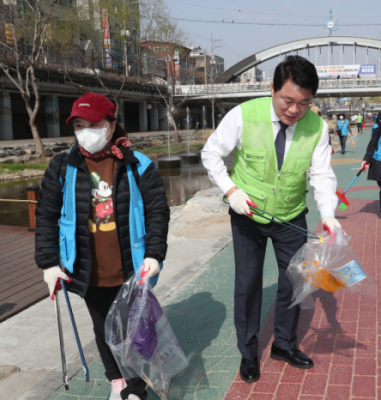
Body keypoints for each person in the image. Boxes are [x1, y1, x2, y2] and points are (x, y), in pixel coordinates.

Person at [201, 56, 339, 384]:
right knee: (248, 285)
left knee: (297, 280)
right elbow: (210, 153)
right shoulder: (244, 115)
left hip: (291, 215)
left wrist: (329, 214)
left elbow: (321, 174)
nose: (294, 110)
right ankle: (249, 353)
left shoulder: (317, 127)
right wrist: (231, 190)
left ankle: (284, 344)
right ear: (272, 89)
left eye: (304, 103)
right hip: (247, 214)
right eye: (287, 100)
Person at [34, 93, 170, 400]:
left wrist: (154, 253)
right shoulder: (62, 166)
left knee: (132, 329)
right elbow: (46, 215)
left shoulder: (138, 164)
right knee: (102, 328)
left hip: (130, 265)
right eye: (79, 125)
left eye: (93, 124)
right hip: (86, 268)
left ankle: (136, 390)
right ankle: (116, 378)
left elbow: (157, 212)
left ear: (110, 126)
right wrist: (48, 263)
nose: (85, 131)